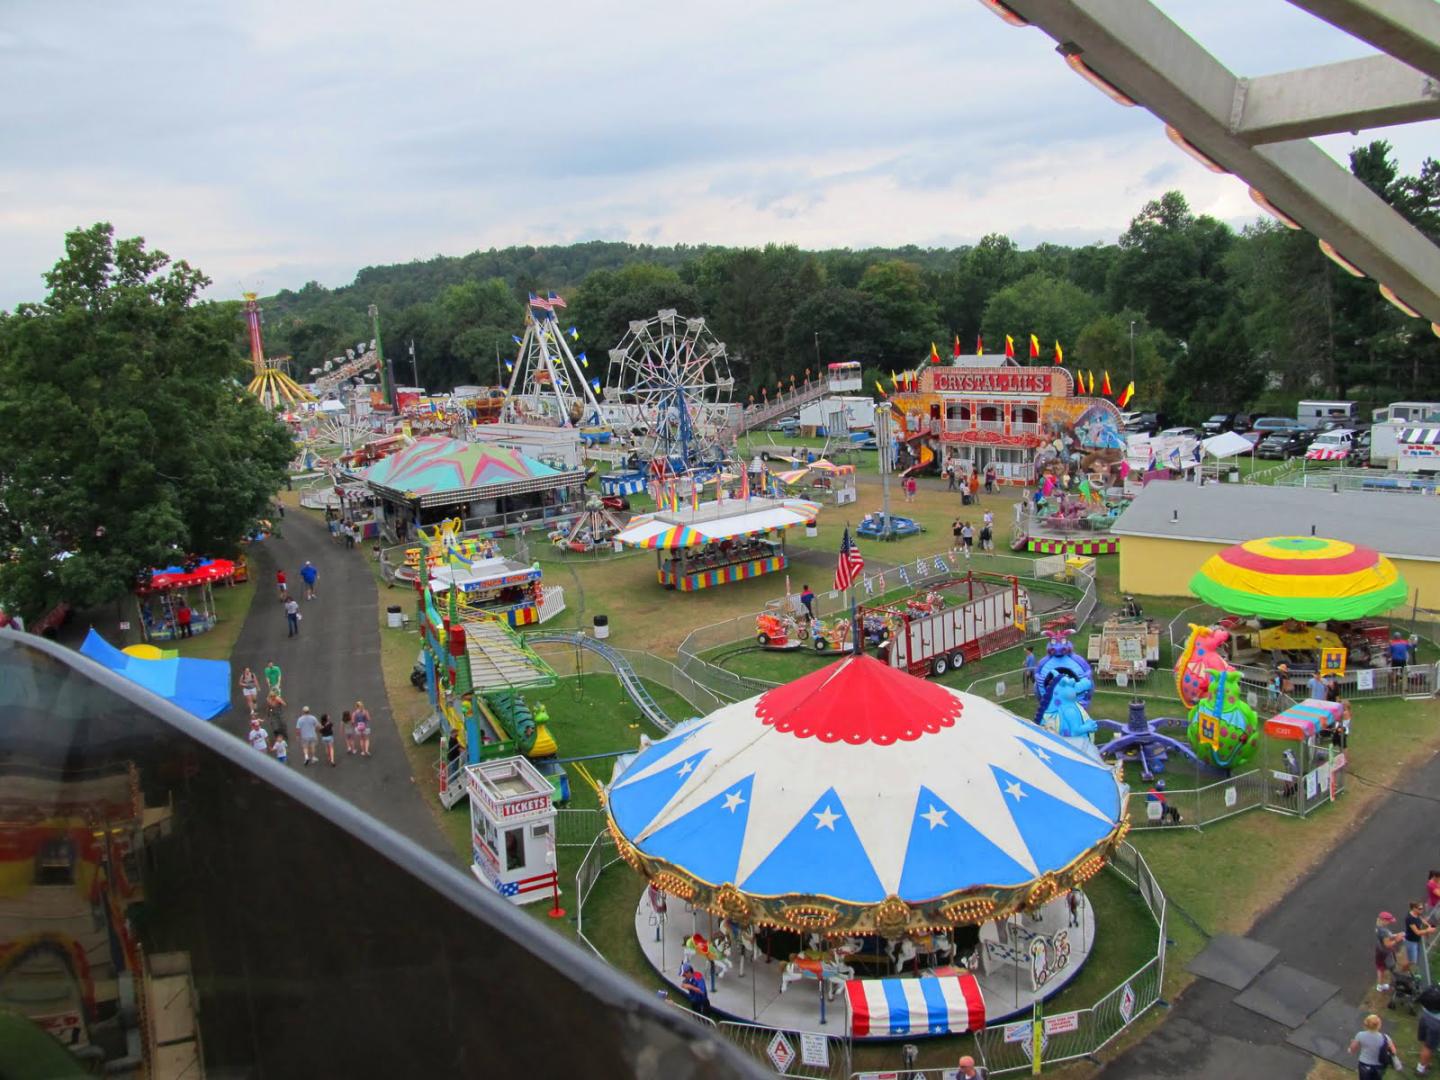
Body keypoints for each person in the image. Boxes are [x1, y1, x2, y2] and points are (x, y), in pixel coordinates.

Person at [1350, 1013, 1399, 1079]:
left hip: (1364, 1065)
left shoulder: (1360, 1035)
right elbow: (1394, 1052)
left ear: (1366, 1024)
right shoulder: (1386, 1037)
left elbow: (1352, 1049)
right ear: (1379, 1025)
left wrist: (1352, 1044)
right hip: (1379, 1067)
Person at [1406, 900, 1436, 976]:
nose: (1421, 910)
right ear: (1413, 908)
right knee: (1413, 961)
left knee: (1417, 959)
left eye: (1422, 908)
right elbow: (1417, 932)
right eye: (1420, 909)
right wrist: (1428, 930)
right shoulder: (1409, 918)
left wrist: (1428, 925)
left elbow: (1421, 920)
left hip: (1417, 940)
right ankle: (1405, 970)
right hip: (1411, 942)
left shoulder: (1417, 914)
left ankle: (1415, 972)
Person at [1417, 981, 1440, 1076]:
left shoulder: (1436, 988)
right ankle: (1421, 1069)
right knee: (1429, 1047)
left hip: (1425, 1015)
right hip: (1436, 1022)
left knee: (1426, 1043)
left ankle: (1425, 1062)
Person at [1377, 911, 1404, 991]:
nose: (1390, 922)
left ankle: (1380, 986)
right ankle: (1394, 985)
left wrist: (1396, 935)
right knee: (1392, 968)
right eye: (1389, 921)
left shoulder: (1378, 927)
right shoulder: (1384, 931)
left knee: (1380, 968)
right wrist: (1397, 939)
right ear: (1383, 920)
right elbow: (1388, 944)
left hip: (1380, 950)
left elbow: (1387, 937)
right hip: (1386, 953)